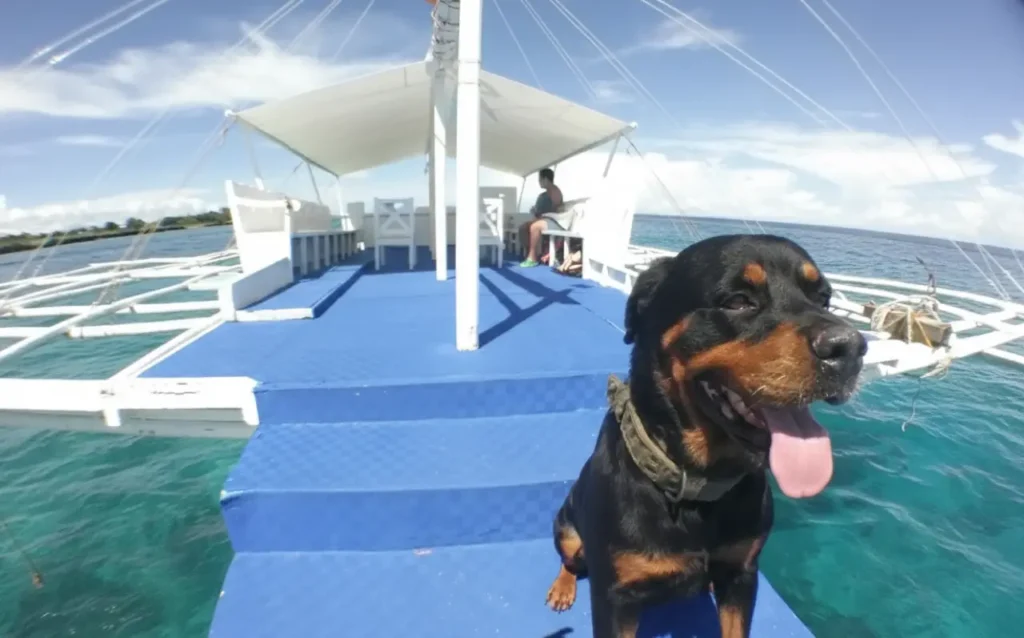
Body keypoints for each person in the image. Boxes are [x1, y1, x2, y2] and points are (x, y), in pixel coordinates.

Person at [518, 167, 571, 267]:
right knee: (523, 227)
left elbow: (556, 210)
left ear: (545, 179)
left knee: (535, 227)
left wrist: (541, 214)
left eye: (540, 180)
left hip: (556, 222)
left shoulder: (554, 191)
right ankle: (531, 253)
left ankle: (532, 258)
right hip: (546, 219)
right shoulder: (545, 194)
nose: (539, 182)